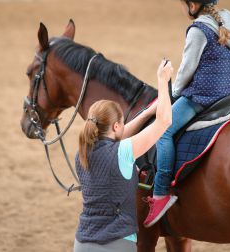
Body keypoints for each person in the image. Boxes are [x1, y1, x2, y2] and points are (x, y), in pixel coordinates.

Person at [143, 0, 230, 227]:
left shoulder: (198, 29)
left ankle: (161, 192)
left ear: (191, 4)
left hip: (202, 97)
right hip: (229, 94)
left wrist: (172, 94)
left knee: (163, 130)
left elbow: (186, 71)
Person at [73, 60, 173, 252]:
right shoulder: (123, 152)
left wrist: (145, 114)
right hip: (117, 243)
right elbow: (164, 121)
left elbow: (115, 137)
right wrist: (163, 81)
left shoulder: (82, 152)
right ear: (116, 126)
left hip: (82, 243)